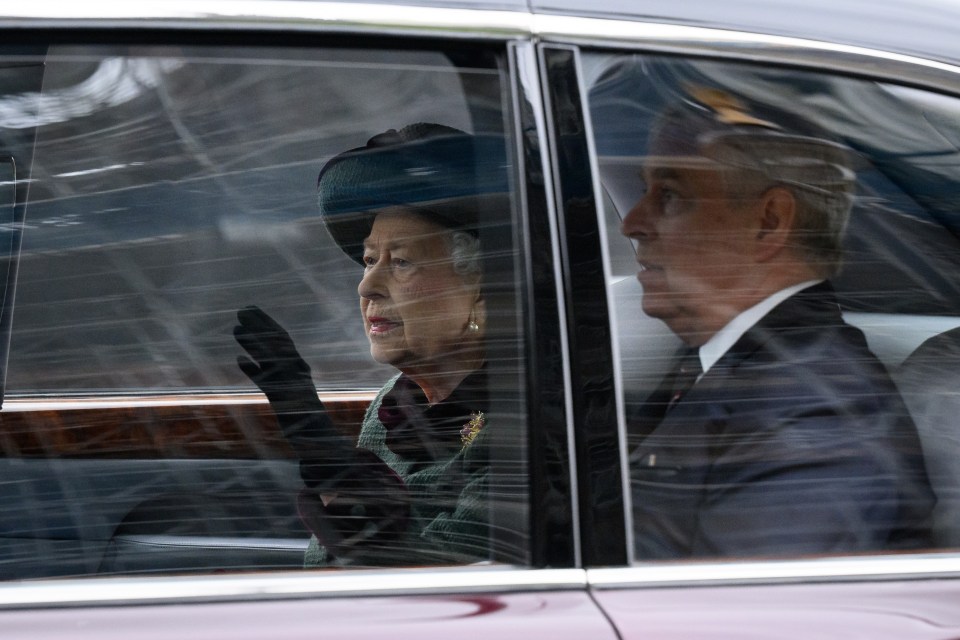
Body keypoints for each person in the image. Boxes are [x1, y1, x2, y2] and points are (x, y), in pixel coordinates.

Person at [618, 87, 935, 559]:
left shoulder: (819, 414)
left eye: (669, 195)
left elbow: (741, 618)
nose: (633, 223)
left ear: (769, 222)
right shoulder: (722, 363)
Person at [235, 123, 509, 566]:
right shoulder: (395, 404)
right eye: (368, 261)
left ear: (481, 289)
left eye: (401, 262)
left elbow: (426, 585)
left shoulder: (524, 418)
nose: (367, 286)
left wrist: (320, 449)